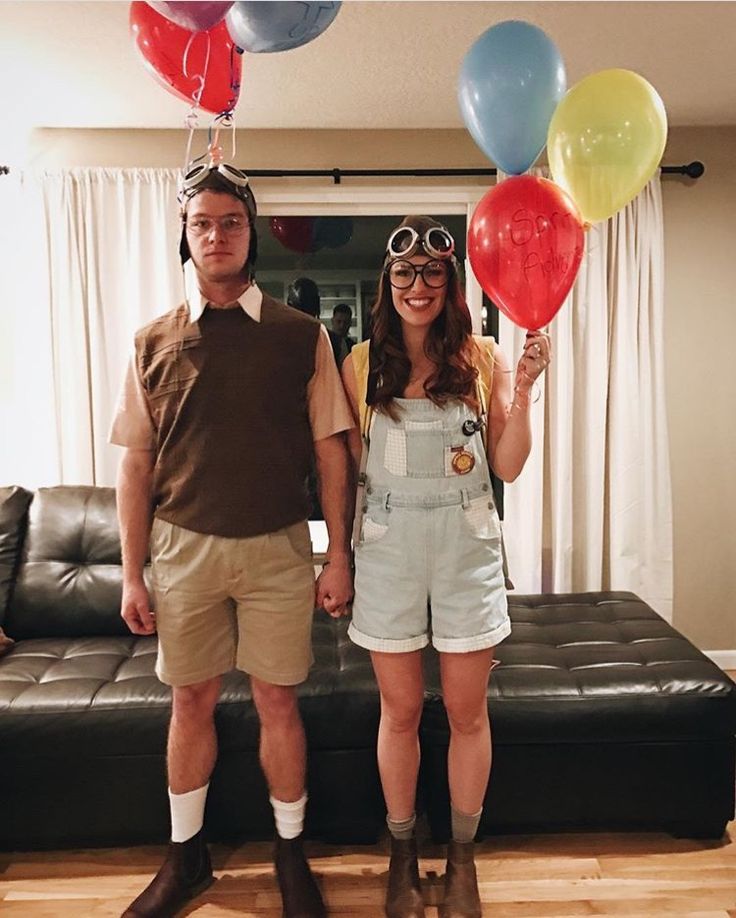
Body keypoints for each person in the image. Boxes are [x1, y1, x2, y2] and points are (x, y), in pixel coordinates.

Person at [109, 162, 354, 918]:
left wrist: (338, 553)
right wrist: (131, 574)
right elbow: (137, 464)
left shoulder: (300, 335)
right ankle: (187, 860)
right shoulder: (153, 340)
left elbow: (331, 453)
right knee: (191, 701)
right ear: (186, 238)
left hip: (279, 547)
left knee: (280, 702)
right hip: (183, 549)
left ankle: (290, 852)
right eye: (202, 224)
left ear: (252, 235)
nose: (216, 235)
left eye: (231, 222)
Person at [340, 216, 550, 918]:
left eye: (433, 273)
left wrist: (522, 388)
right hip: (389, 547)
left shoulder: (484, 359)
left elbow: (508, 464)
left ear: (451, 284)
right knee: (398, 713)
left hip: (467, 549)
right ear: (386, 283)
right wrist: (336, 554)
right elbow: (345, 470)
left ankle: (461, 857)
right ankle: (403, 854)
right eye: (404, 273)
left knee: (466, 713)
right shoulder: (362, 364)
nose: (418, 285)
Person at [329, 302, 356, 367]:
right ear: (332, 321)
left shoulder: (354, 348)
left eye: (345, 322)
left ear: (350, 323)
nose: (342, 326)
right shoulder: (325, 343)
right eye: (338, 321)